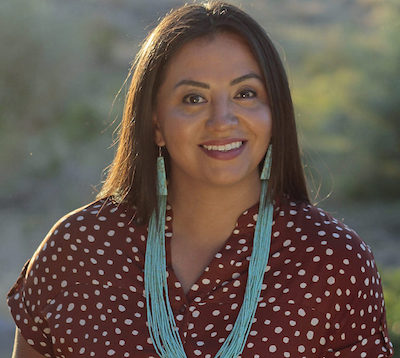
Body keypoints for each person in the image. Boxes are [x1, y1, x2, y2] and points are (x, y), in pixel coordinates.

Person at [8, 1, 394, 357]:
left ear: (274, 114)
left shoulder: (333, 263)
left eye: (245, 93)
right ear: (155, 124)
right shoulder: (78, 251)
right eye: (193, 99)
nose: (222, 120)